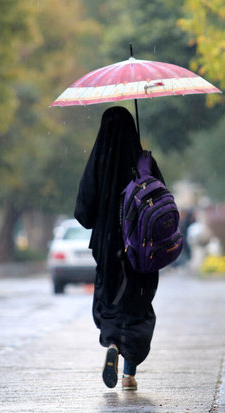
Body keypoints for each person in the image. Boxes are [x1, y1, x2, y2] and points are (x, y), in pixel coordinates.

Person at [74, 106, 164, 391]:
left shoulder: (99, 161)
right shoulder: (144, 162)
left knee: (111, 301)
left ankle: (112, 344)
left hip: (108, 248)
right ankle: (129, 374)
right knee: (137, 304)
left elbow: (83, 212)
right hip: (141, 248)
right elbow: (163, 201)